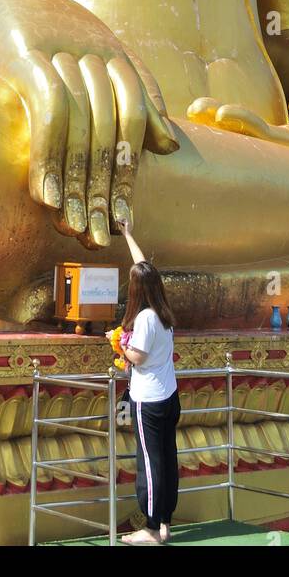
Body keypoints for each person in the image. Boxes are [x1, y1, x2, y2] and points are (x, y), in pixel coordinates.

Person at [110, 216, 180, 546]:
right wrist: (127, 234)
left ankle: (151, 528)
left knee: (148, 464)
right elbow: (143, 266)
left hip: (148, 400)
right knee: (166, 459)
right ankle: (165, 522)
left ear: (136, 289)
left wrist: (120, 343)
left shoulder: (145, 318)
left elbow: (137, 357)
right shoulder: (162, 311)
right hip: (169, 396)